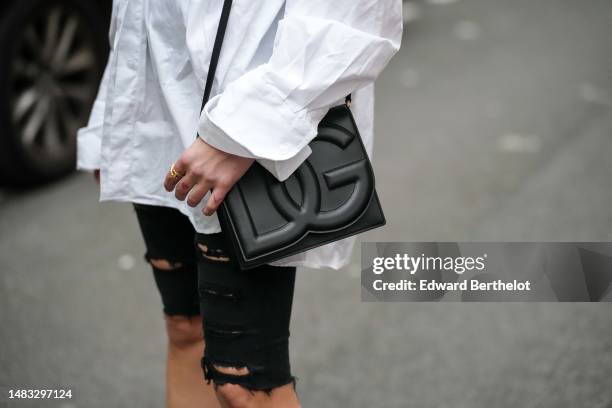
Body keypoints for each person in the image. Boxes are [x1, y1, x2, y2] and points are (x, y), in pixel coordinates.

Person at [77, 1, 402, 407]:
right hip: (156, 118)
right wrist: (112, 115)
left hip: (254, 121)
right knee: (184, 328)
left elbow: (356, 13)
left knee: (245, 385)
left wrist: (245, 130)